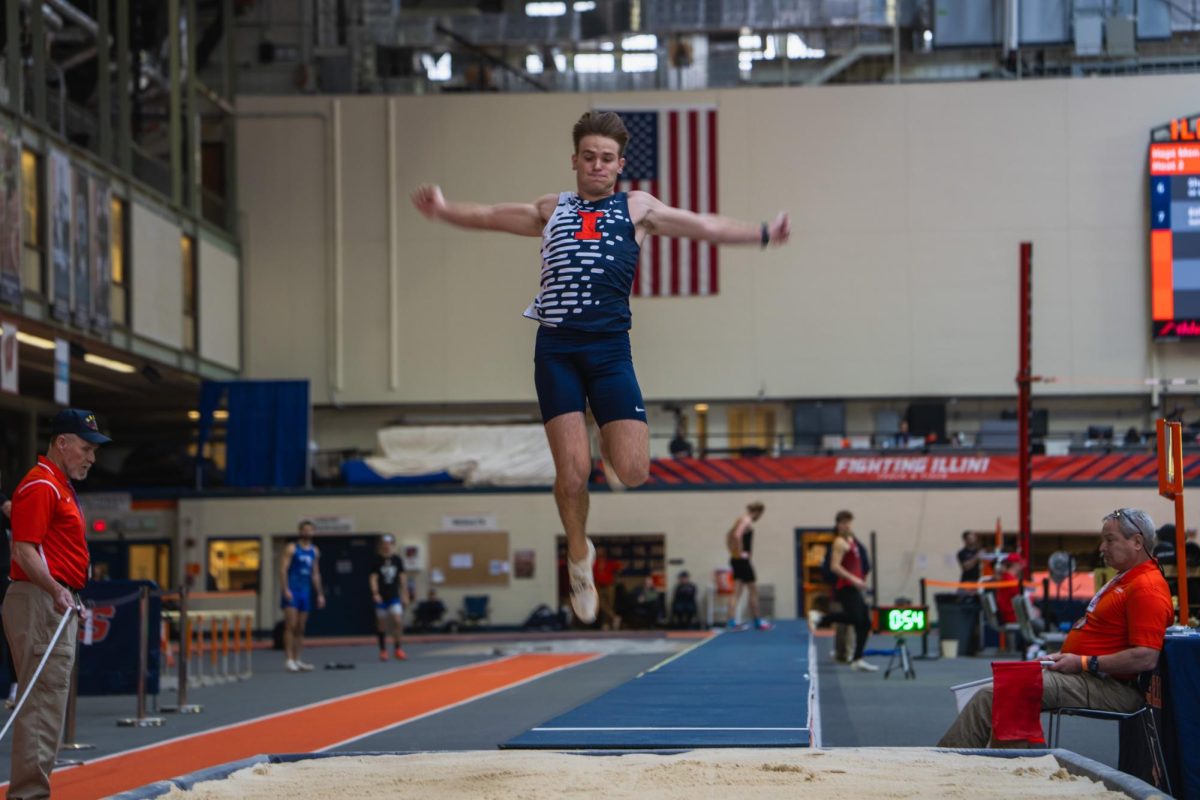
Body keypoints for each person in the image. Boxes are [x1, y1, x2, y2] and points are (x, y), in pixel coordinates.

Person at [411, 111, 791, 624]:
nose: (596, 166)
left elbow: (703, 226)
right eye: (588, 157)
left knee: (633, 471)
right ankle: (579, 557)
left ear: (619, 164)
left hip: (610, 351)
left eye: (606, 159)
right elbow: (489, 216)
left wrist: (762, 232)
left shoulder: (638, 208)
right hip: (558, 350)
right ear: (574, 160)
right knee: (571, 475)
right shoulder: (553, 209)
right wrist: (442, 210)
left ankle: (607, 440)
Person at [938, 508, 1174, 748]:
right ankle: (1012, 766)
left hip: (1110, 686)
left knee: (998, 693)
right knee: (1000, 689)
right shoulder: (1127, 578)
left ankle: (986, 765)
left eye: (1110, 540)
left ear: (1137, 542)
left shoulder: (1146, 587)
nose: (1102, 548)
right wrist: (1069, 658)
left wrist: (1083, 662)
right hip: (1090, 676)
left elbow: (1145, 657)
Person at [4, 409, 109, 800]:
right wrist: (55, 589)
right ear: (61, 443)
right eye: (85, 448)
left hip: (50, 599)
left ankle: (31, 792)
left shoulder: (56, 485)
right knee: (43, 704)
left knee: (47, 702)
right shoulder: (42, 485)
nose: (91, 458)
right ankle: (28, 795)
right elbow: (24, 549)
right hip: (42, 600)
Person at [809, 510, 878, 671]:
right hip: (845, 587)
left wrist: (860, 579)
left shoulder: (852, 540)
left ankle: (857, 659)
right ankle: (821, 618)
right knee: (856, 618)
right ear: (838, 525)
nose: (847, 526)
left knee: (865, 623)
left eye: (849, 522)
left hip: (854, 586)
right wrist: (853, 579)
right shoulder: (839, 542)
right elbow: (834, 567)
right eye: (844, 523)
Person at [280, 520, 325, 673]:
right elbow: (283, 569)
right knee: (290, 625)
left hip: (306, 591)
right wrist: (285, 588)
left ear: (313, 532)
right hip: (293, 590)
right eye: (305, 530)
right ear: (300, 531)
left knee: (301, 627)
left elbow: (315, 573)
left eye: (310, 530)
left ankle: (298, 659)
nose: (307, 532)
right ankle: (289, 659)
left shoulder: (315, 551)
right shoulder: (292, 548)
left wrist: (319, 594)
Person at [725, 501, 772, 630]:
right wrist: (740, 552)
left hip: (736, 559)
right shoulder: (746, 520)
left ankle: (731, 621)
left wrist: (734, 552)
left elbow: (729, 536)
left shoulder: (739, 520)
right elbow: (736, 535)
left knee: (737, 591)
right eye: (760, 515)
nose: (759, 518)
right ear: (757, 512)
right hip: (742, 560)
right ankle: (757, 621)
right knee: (753, 590)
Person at [369, 534, 413, 661]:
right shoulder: (376, 560)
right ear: (381, 545)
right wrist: (375, 593)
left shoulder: (397, 560)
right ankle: (383, 650)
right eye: (384, 543)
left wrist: (405, 594)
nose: (386, 546)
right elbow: (373, 578)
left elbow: (403, 578)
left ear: (392, 544)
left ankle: (398, 648)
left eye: (389, 543)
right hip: (381, 596)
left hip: (394, 595)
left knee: (397, 620)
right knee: (381, 623)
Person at [593, 545, 623, 630]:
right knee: (601, 604)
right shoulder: (594, 563)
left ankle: (607, 624)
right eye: (598, 552)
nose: (600, 554)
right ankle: (614, 617)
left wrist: (616, 577)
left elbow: (620, 567)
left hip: (609, 586)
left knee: (609, 605)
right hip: (599, 586)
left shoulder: (610, 563)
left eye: (601, 552)